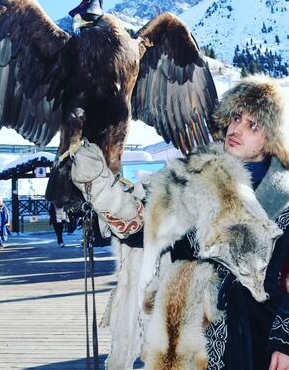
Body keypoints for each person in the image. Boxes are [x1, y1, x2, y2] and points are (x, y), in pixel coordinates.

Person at [70, 74, 289, 370]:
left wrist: (285, 341)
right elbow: (143, 228)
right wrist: (101, 189)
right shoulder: (191, 176)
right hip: (190, 337)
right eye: (236, 117)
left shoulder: (283, 196)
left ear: (271, 138)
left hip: (261, 338)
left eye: (253, 125)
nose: (236, 129)